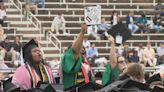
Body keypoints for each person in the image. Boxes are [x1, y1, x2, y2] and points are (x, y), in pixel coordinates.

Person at [61, 23, 95, 89]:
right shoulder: (67, 57)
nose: (81, 49)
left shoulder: (85, 63)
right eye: (79, 47)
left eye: (82, 48)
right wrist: (82, 32)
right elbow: (75, 51)